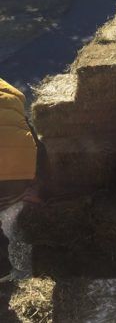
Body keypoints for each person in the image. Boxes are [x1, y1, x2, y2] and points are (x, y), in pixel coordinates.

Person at [0, 79, 39, 282]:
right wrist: (38, 180)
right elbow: (31, 137)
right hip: (20, 175)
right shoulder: (10, 95)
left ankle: (3, 270)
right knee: (13, 213)